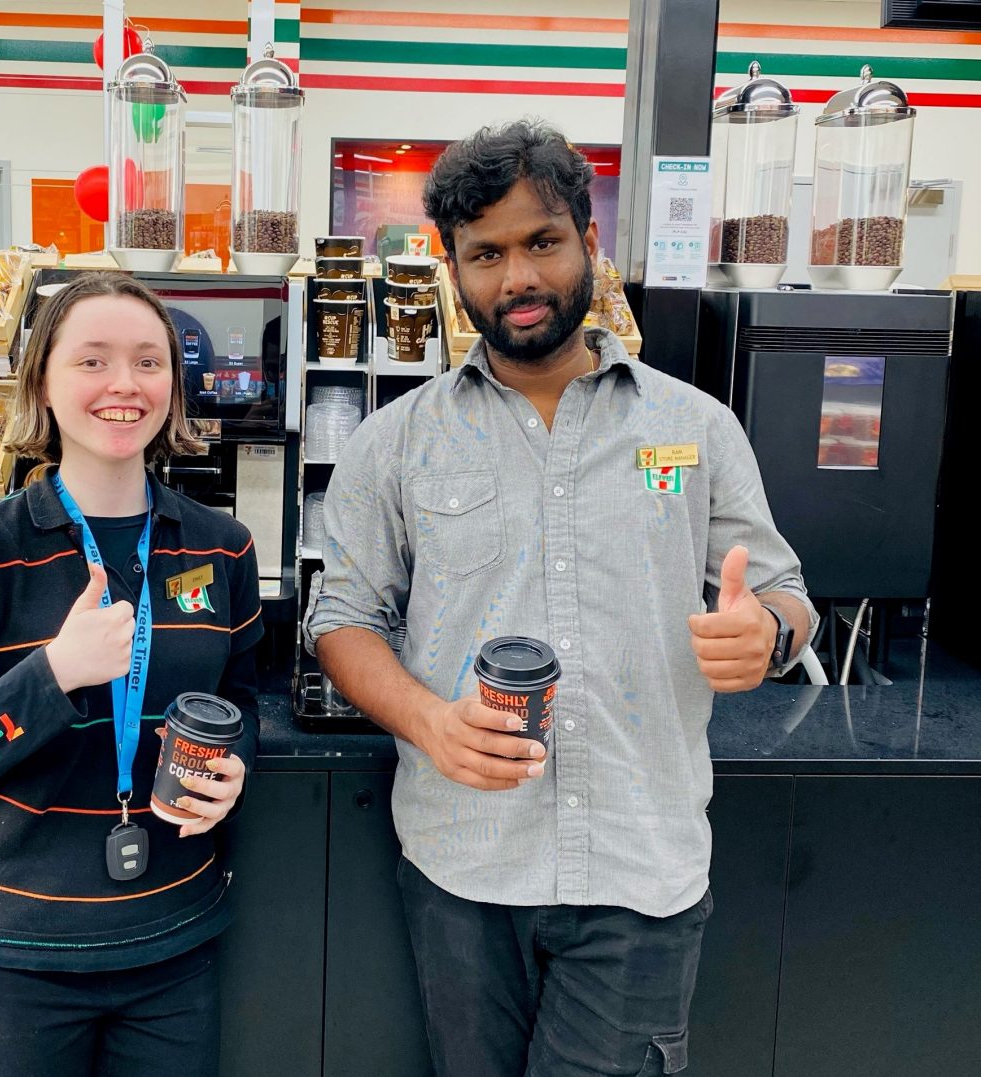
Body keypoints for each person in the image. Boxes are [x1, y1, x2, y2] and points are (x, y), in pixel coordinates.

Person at [306, 120, 817, 1077]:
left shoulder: (694, 427)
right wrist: (427, 718)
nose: (517, 279)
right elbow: (342, 619)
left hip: (639, 869)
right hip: (463, 867)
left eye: (541, 241)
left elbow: (782, 591)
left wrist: (770, 633)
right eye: (485, 255)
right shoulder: (393, 442)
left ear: (591, 240)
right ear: (453, 270)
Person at [0, 272, 263, 1077]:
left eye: (148, 361)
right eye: (93, 361)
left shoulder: (222, 547)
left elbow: (240, 700)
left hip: (172, 946)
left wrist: (237, 765)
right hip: (8, 960)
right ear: (43, 382)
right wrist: (54, 673)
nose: (125, 384)